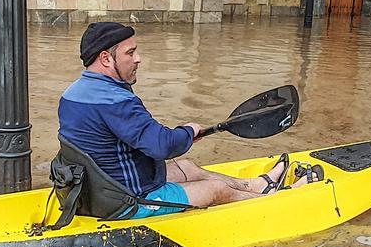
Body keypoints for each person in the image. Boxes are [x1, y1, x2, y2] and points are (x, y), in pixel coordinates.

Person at [57, 22, 317, 219]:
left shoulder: (72, 94)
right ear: (105, 58)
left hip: (97, 188)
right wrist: (186, 132)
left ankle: (254, 185)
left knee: (187, 168)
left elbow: (136, 138)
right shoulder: (115, 101)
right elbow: (161, 146)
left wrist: (184, 135)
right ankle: (276, 200)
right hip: (126, 199)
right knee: (215, 189)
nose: (138, 59)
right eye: (130, 53)